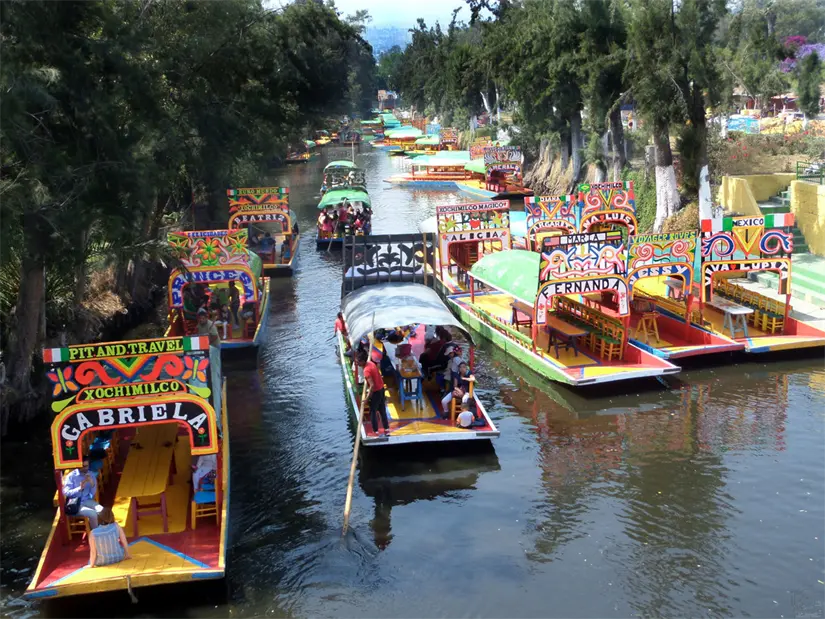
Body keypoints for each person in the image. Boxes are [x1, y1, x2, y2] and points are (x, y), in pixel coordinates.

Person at [63, 457, 103, 529]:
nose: (86, 468)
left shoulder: (90, 474)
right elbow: (66, 492)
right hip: (75, 503)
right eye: (83, 466)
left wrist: (92, 484)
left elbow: (92, 494)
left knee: (102, 511)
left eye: (87, 466)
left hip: (87, 500)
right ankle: (96, 534)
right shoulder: (71, 476)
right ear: (78, 465)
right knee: (93, 514)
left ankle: (101, 529)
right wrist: (79, 488)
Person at [363, 348, 391, 437]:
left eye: (358, 362)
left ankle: (375, 431)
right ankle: (386, 429)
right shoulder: (371, 363)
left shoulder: (366, 371)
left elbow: (371, 386)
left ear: (363, 361)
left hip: (376, 392)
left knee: (373, 411)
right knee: (382, 410)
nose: (357, 363)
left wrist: (366, 399)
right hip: (381, 388)